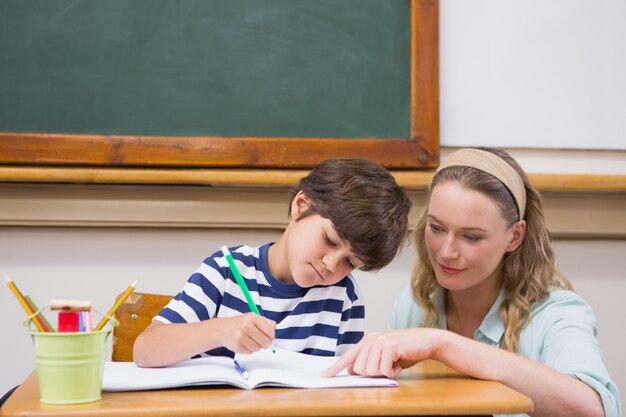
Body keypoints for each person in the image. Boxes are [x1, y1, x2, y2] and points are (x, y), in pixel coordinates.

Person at [323, 148, 620, 417]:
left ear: (514, 236)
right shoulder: (414, 306)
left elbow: (592, 410)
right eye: (437, 228)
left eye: (471, 236)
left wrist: (444, 345)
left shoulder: (558, 314)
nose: (447, 251)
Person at [134, 157, 412, 368]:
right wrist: (220, 330)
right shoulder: (226, 270)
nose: (331, 264)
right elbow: (145, 350)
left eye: (350, 262)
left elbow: (341, 381)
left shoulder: (344, 297)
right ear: (301, 206)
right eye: (329, 239)